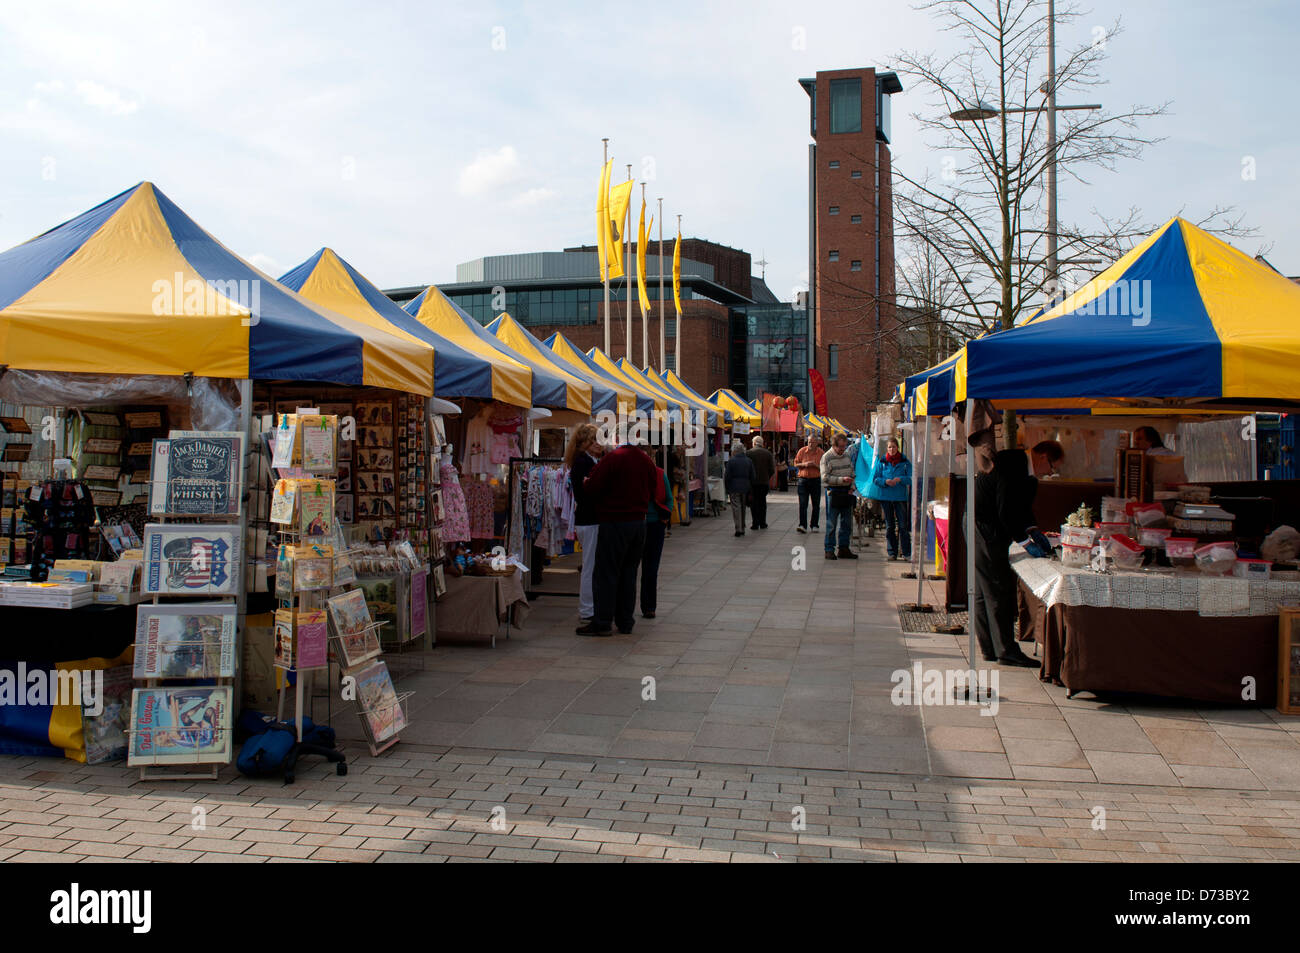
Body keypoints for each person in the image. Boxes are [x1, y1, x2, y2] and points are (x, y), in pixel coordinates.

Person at [971, 440, 1063, 666]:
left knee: (986, 591)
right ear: (1042, 457)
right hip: (985, 526)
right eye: (1051, 466)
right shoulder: (1012, 463)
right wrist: (1024, 541)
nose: (1051, 472)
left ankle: (991, 648)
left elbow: (1022, 508)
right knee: (996, 588)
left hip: (988, 523)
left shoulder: (1028, 475)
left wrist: (1032, 529)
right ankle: (1005, 650)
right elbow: (1006, 509)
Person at [578, 438, 659, 637]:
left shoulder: (614, 458)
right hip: (638, 523)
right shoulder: (646, 460)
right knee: (629, 572)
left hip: (614, 521)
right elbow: (653, 487)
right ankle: (625, 621)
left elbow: (593, 486)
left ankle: (603, 622)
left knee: (606, 572)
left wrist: (587, 483)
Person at [565, 423, 602, 625]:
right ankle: (587, 609)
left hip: (590, 519)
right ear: (585, 443)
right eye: (594, 440)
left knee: (593, 565)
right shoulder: (583, 463)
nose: (598, 444)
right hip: (589, 519)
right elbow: (585, 494)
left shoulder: (591, 460)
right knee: (590, 566)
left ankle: (591, 606)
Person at [639, 446, 674, 619]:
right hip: (636, 523)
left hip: (654, 525)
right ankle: (625, 607)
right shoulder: (633, 475)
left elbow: (668, 497)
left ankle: (648, 606)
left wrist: (664, 519)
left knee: (650, 568)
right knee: (630, 568)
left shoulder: (659, 474)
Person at [874, 436, 912, 561]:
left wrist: (900, 479)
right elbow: (876, 479)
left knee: (903, 526)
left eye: (894, 447)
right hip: (886, 497)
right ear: (887, 448)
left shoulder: (905, 462)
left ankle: (906, 552)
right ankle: (892, 552)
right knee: (890, 526)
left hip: (900, 497)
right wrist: (885, 481)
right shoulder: (882, 462)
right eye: (889, 447)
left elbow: (911, 478)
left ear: (898, 448)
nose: (891, 449)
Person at [820, 433, 857, 560]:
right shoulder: (827, 457)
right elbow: (824, 477)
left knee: (846, 523)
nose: (843, 449)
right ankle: (829, 549)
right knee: (832, 523)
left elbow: (852, 472)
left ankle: (843, 548)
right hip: (834, 492)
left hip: (847, 492)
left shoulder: (847, 455)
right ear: (834, 445)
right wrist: (842, 480)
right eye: (840, 447)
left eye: (844, 446)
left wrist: (852, 486)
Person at [724, 441, 756, 537]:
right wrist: (751, 486)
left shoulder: (731, 461)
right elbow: (753, 476)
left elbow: (727, 476)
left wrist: (727, 487)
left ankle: (739, 528)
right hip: (745, 487)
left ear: (734, 451)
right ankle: (742, 526)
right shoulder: (748, 461)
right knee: (742, 507)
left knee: (736, 507)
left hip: (734, 487)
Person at [793, 434, 822, 533]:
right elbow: (796, 463)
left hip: (815, 480)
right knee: (803, 503)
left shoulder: (821, 453)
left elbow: (824, 468)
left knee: (816, 504)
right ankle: (802, 525)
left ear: (817, 443)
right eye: (809, 442)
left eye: (813, 442)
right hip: (803, 480)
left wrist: (815, 465)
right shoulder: (802, 451)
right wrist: (805, 464)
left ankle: (814, 525)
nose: (810, 444)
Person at [746, 436, 776, 529]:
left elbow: (747, 468)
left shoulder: (749, 453)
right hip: (764, 482)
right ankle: (763, 522)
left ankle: (755, 523)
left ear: (754, 443)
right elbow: (772, 469)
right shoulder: (768, 453)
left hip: (753, 483)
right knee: (762, 502)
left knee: (753, 503)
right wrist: (767, 477)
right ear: (762, 443)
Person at [670, 445, 690, 525]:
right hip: (677, 481)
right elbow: (675, 469)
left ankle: (680, 517)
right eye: (679, 447)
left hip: (679, 482)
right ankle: (679, 518)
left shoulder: (681, 456)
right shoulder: (673, 456)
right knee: (678, 500)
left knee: (679, 500)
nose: (681, 448)